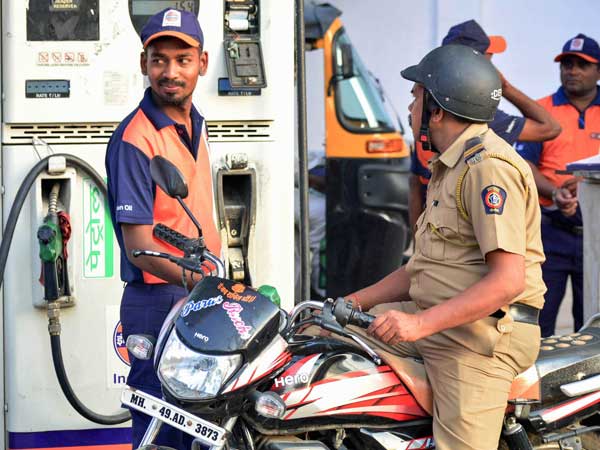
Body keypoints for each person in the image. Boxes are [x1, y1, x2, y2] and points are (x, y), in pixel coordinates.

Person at [346, 45, 545, 449]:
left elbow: (507, 281)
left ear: (436, 111)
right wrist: (353, 302)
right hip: (435, 319)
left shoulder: (488, 169)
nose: (410, 108)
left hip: (479, 338)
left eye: (416, 97)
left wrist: (418, 325)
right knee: (324, 340)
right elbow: (422, 268)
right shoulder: (449, 165)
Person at [105, 8, 221, 449]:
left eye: (182, 60)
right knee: (163, 436)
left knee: (201, 430)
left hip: (196, 297)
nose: (170, 72)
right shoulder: (135, 139)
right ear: (144, 64)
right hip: (156, 303)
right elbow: (139, 246)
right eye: (159, 60)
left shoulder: (194, 124)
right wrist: (206, 282)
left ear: (202, 63)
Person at [408, 19, 561, 233]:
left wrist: (417, 239)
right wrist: (504, 86)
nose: (492, 65)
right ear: (475, 66)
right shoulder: (481, 118)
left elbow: (415, 185)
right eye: (488, 60)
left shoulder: (428, 113)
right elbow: (550, 127)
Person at [516, 33, 600, 337]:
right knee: (536, 323)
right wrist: (555, 192)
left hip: (597, 234)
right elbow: (524, 164)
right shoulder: (542, 112)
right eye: (567, 64)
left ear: (598, 71)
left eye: (582, 65)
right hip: (549, 232)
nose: (572, 71)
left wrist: (587, 185)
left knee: (592, 326)